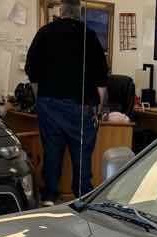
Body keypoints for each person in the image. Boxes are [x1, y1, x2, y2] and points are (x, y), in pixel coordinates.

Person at [25, 0, 109, 202]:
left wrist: (40, 101)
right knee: (82, 155)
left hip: (49, 103)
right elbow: (101, 80)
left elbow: (32, 73)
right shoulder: (89, 36)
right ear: (79, 14)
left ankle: (49, 197)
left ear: (60, 11)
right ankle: (82, 197)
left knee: (52, 152)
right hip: (81, 106)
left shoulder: (44, 33)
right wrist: (100, 108)